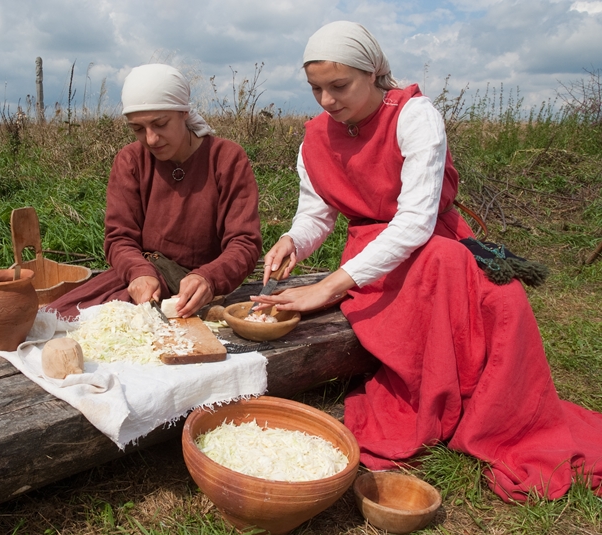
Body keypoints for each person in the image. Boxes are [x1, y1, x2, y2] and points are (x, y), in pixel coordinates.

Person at [254, 21, 602, 502]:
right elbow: (317, 215)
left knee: (503, 300)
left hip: (433, 241)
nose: (327, 101)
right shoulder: (314, 138)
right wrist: (294, 239)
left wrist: (329, 286)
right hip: (373, 255)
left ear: (374, 74)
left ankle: (497, 412)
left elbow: (416, 221)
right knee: (447, 278)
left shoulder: (414, 116)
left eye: (339, 86)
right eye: (316, 89)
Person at [47, 64, 261, 320]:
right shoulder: (131, 161)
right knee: (58, 321)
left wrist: (208, 278)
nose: (150, 139)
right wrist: (139, 272)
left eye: (160, 124)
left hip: (199, 293)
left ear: (183, 112)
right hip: (146, 282)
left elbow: (244, 242)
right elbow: (119, 238)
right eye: (138, 129)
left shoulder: (226, 159)